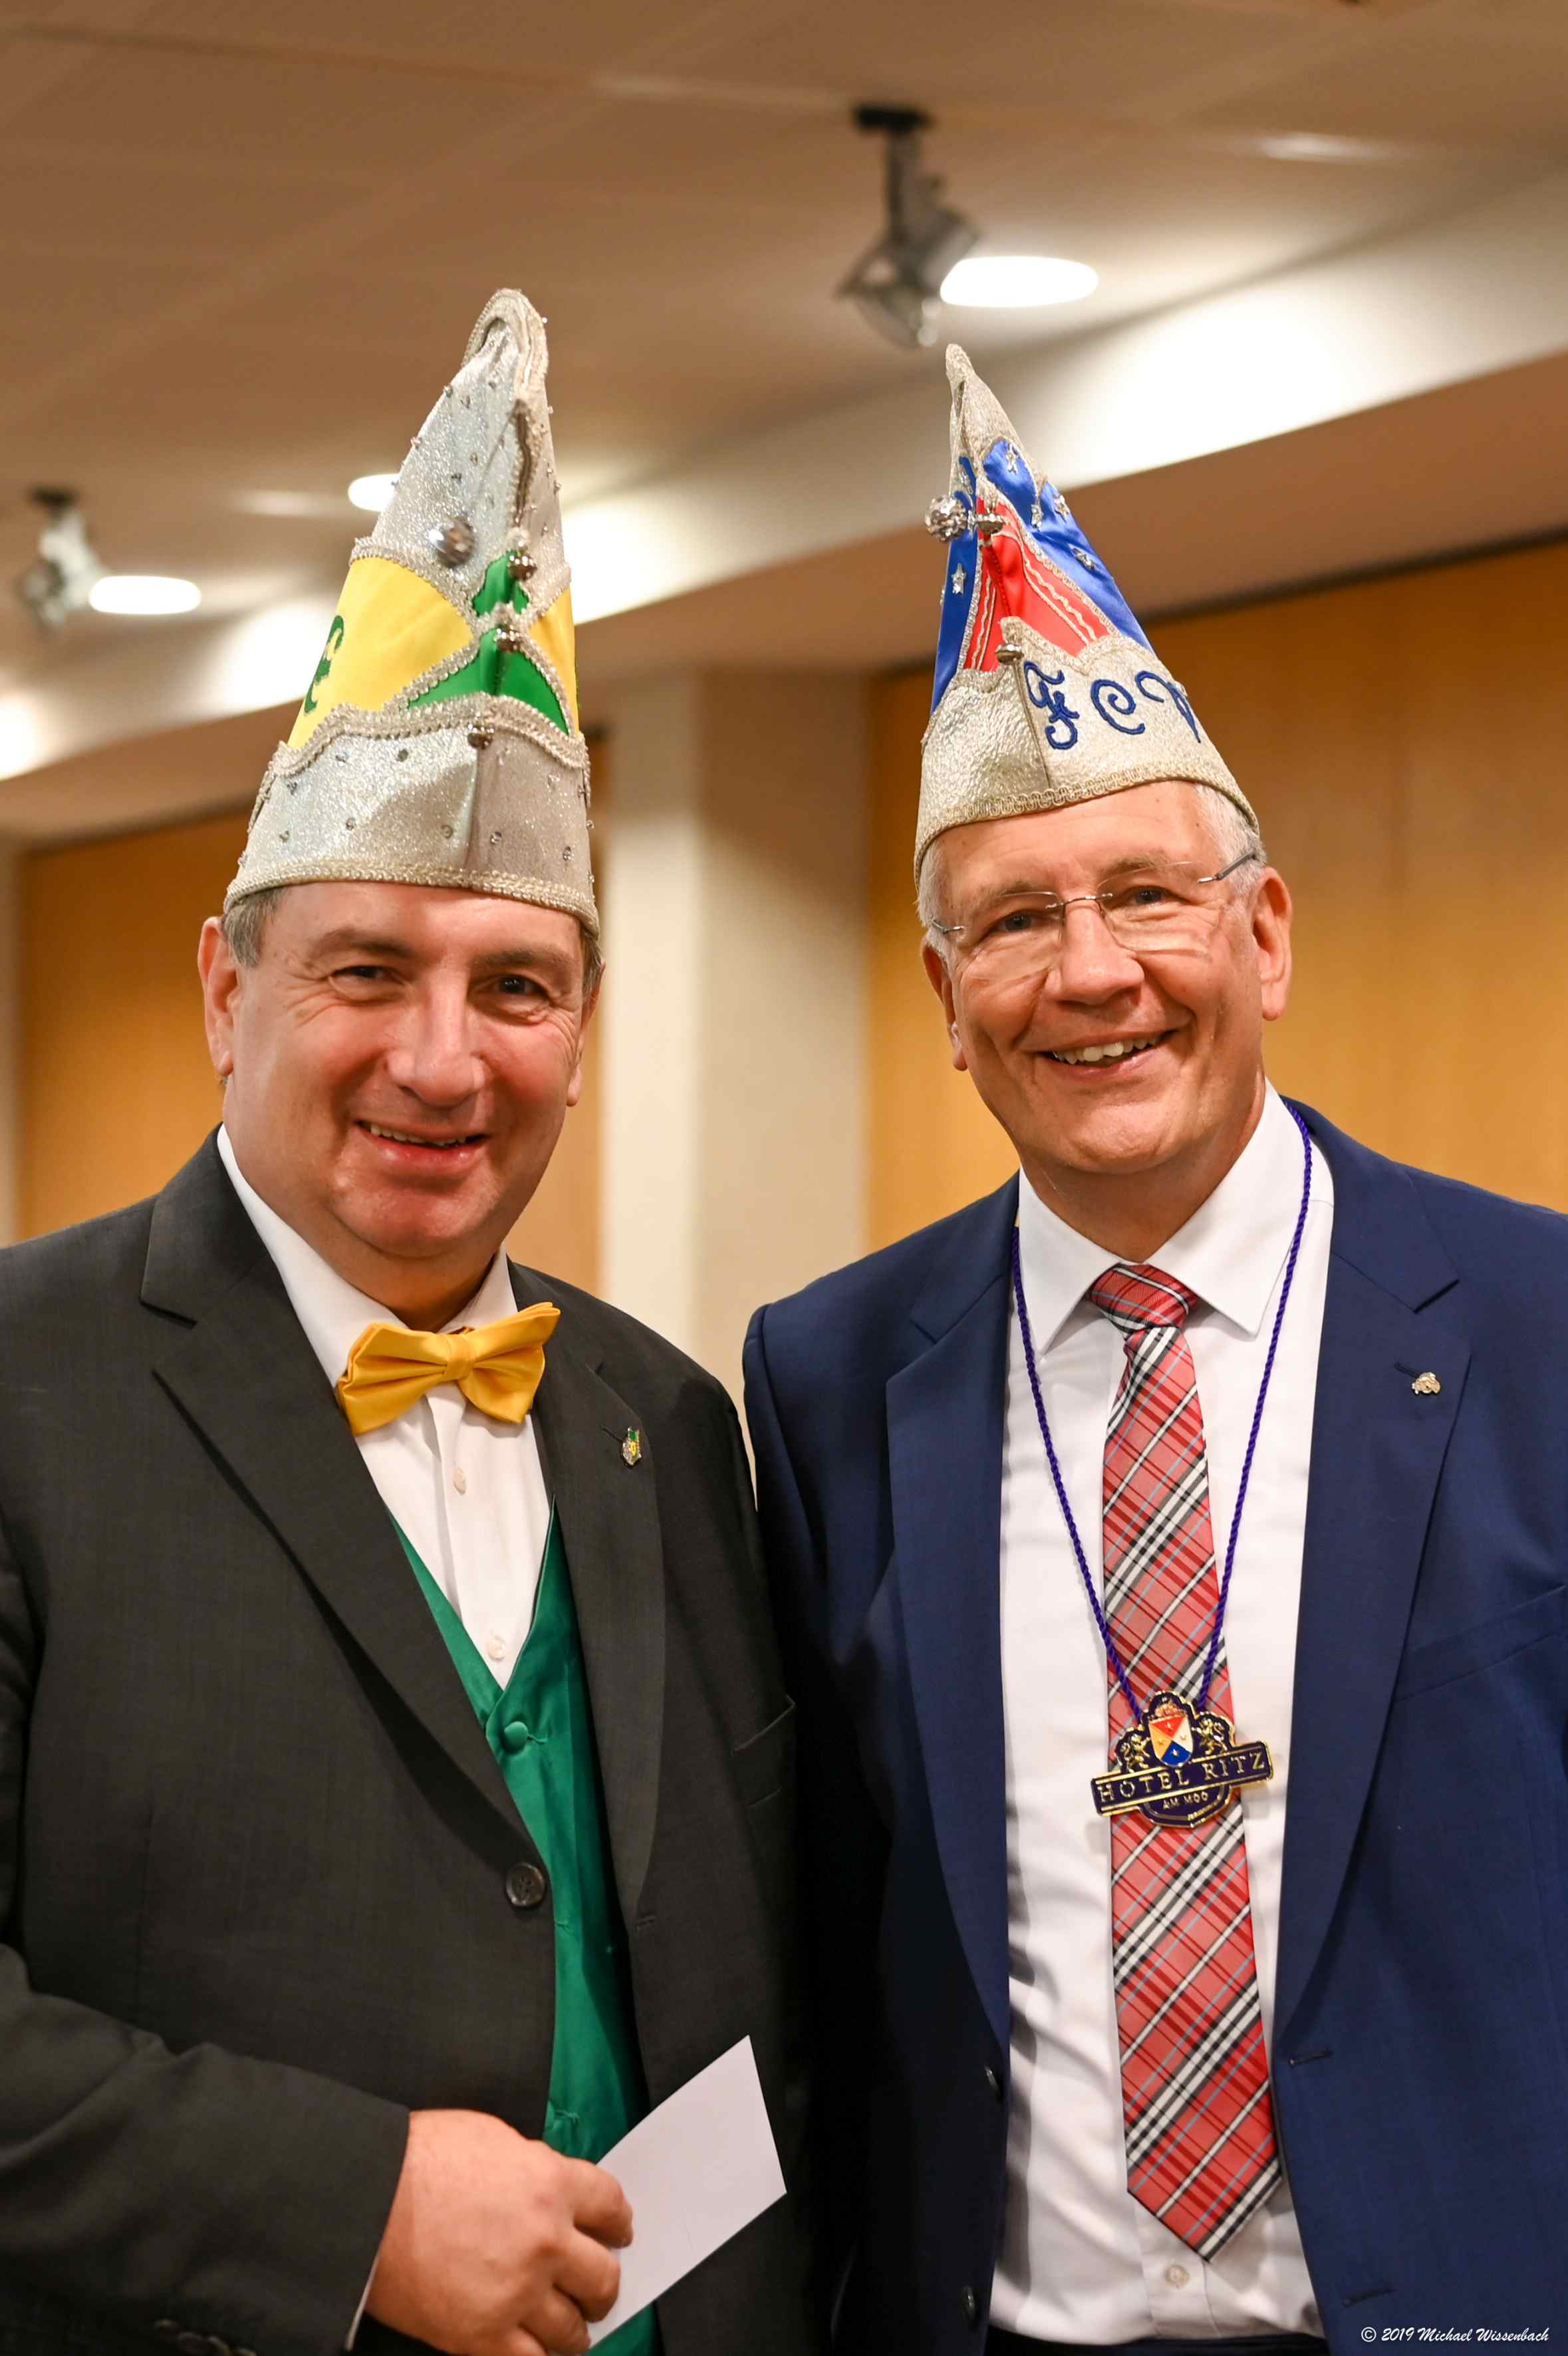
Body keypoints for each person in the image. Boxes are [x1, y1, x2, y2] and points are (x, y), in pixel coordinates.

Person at [0, 291, 811, 2356]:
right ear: (227, 992)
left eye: (516, 988)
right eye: (367, 971)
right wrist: (350, 2212)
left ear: (580, 1029)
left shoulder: (664, 1415)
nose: (444, 1063)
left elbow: (740, 1972)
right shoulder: (23, 1389)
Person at [744, 346, 1568, 2356]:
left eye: (1145, 896)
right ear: (947, 997)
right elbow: (832, 1918)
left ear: (1265, 933)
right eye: (1015, 923)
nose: (1092, 972)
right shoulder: (833, 1377)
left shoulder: (1537, 1323)